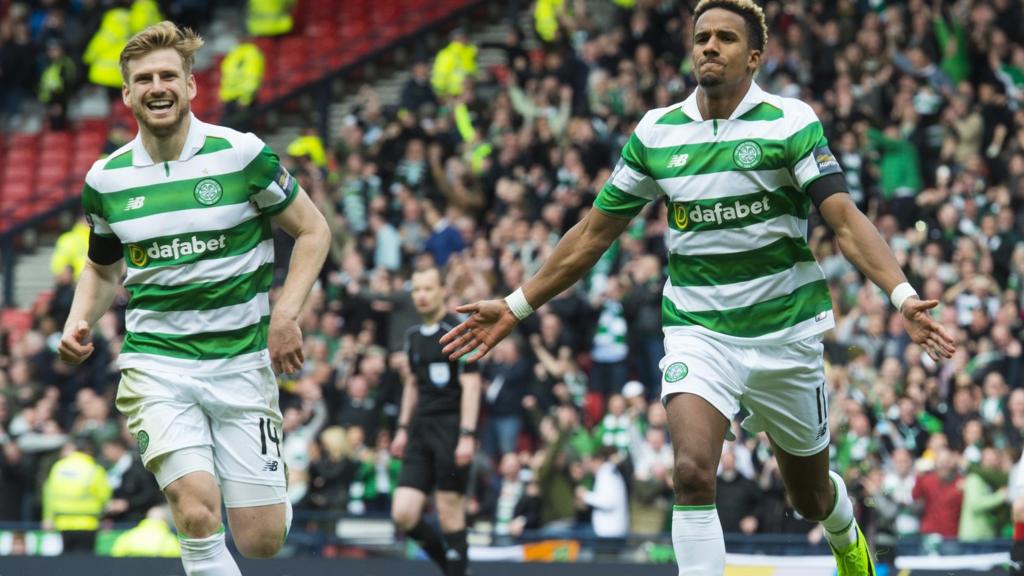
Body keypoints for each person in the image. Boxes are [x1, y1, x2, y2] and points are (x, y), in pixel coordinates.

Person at [441, 1, 956, 575]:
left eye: (726, 38)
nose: (709, 46)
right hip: (698, 330)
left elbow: (845, 221)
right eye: (701, 37)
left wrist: (902, 295)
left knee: (807, 500)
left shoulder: (790, 122)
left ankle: (845, 534)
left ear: (754, 56)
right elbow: (592, 234)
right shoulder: (656, 132)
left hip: (786, 336)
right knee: (690, 470)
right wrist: (516, 305)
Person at [57, 21, 330, 576]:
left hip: (242, 363)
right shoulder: (105, 181)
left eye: (168, 76)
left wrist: (285, 315)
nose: (157, 87)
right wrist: (77, 320)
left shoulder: (241, 155)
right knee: (197, 508)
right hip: (157, 365)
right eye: (143, 79)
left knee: (261, 539)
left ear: (190, 86)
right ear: (127, 94)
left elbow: (314, 230)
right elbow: (101, 268)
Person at [390, 267, 481, 576]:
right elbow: (412, 385)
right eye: (417, 290)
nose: (422, 296)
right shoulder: (412, 337)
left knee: (449, 513)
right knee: (403, 513)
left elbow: (471, 384)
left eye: (429, 288)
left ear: (443, 290)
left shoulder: (459, 330)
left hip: (451, 427)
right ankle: (456, 570)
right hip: (420, 430)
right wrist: (402, 429)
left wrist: (467, 434)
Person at [42, 440, 112, 554]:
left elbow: (49, 494)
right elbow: (105, 497)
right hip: (88, 523)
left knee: (66, 564)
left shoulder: (58, 467)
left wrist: (48, 517)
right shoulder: (94, 469)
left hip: (62, 522)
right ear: (89, 452)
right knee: (85, 566)